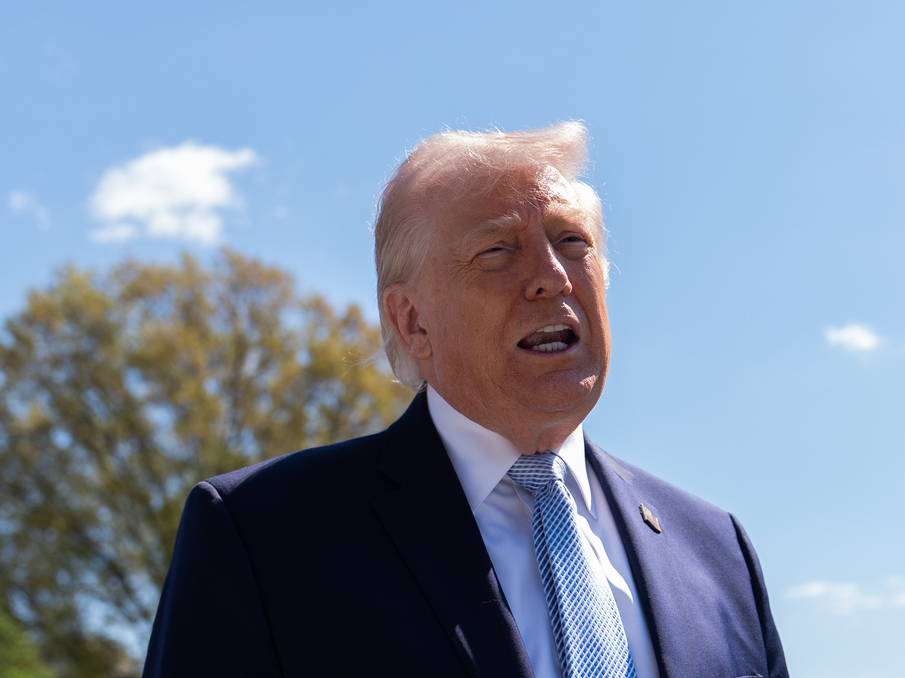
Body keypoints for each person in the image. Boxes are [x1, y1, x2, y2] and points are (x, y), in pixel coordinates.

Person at [142, 122, 788, 678]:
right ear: (412, 323)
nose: (551, 276)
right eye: (497, 250)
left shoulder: (715, 546)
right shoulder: (262, 535)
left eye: (572, 241)